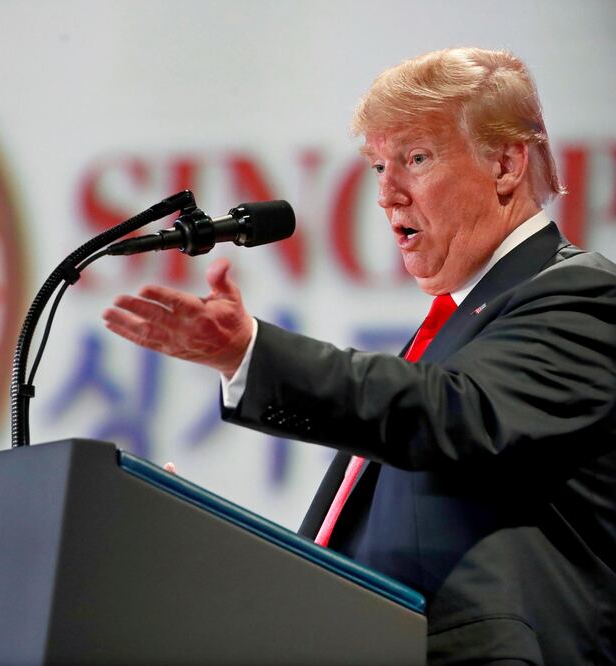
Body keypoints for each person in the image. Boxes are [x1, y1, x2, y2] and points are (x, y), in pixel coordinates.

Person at [103, 47, 616, 664]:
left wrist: (252, 355)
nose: (386, 194)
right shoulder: (452, 330)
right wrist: (203, 539)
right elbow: (358, 570)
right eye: (377, 166)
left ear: (506, 164)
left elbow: (451, 414)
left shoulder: (583, 295)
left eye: (416, 159)